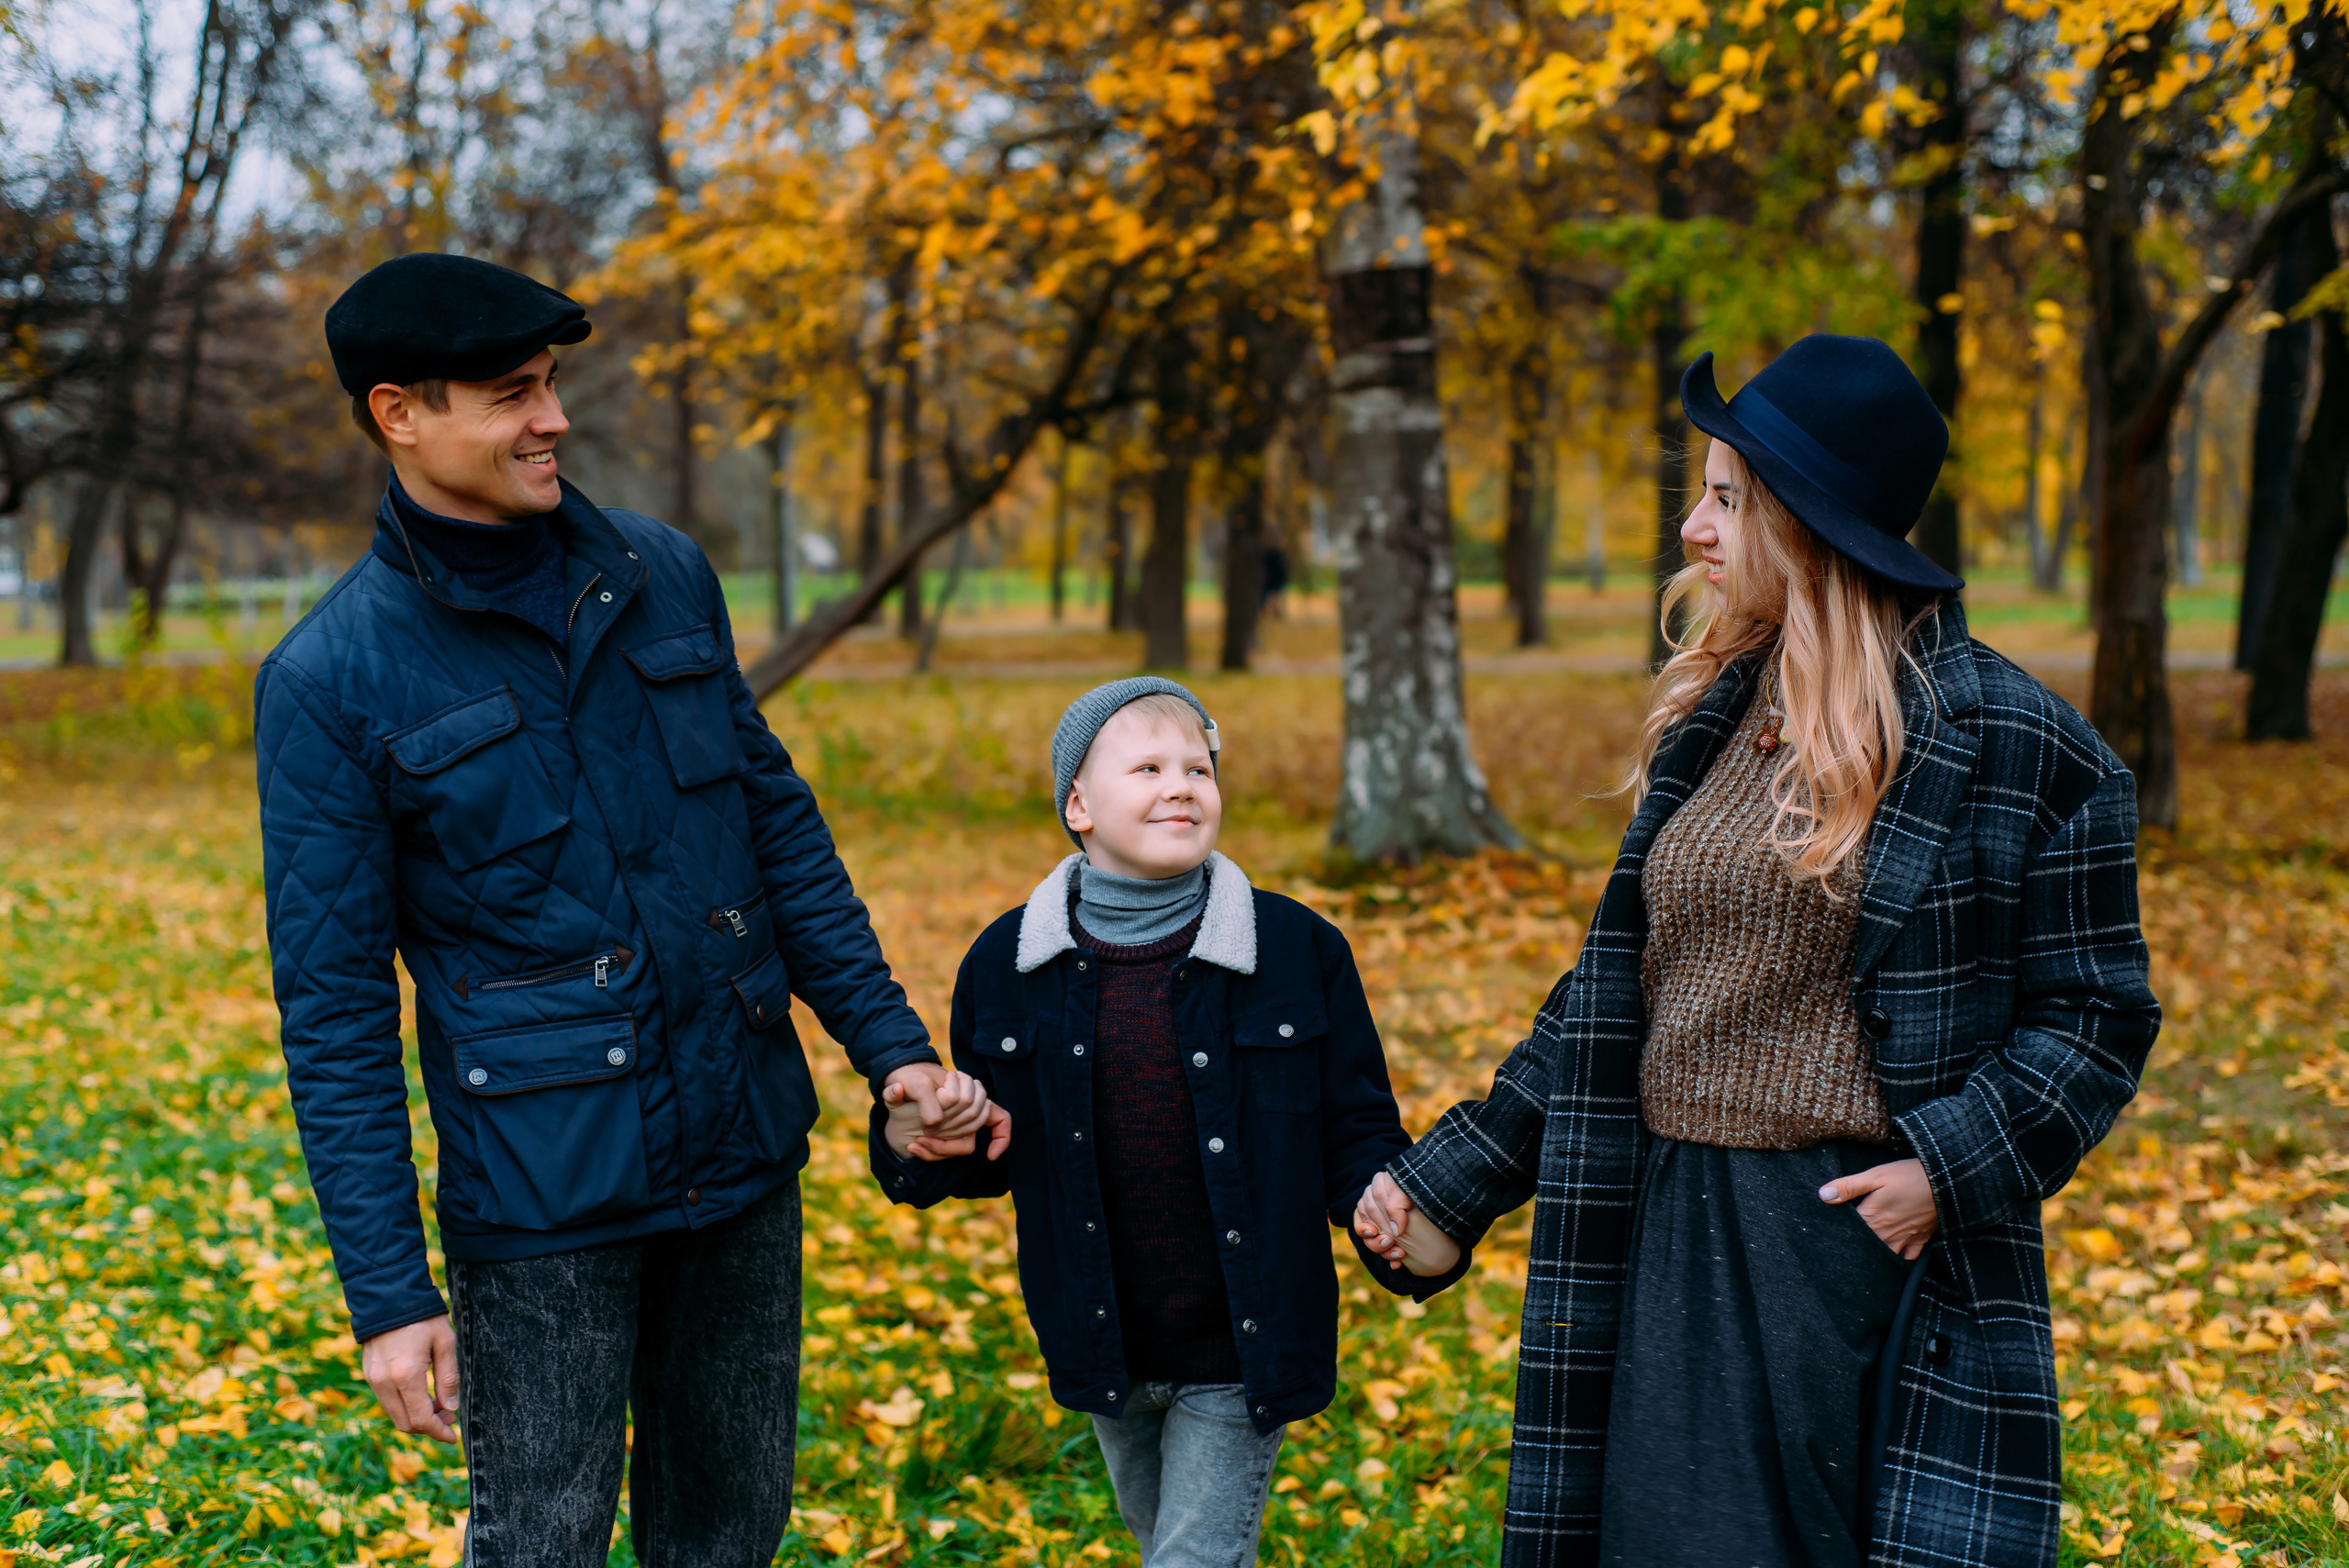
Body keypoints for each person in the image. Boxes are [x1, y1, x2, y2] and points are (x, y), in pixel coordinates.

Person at [1354, 334, 2160, 1568]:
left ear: (1810, 525)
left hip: (1843, 1241)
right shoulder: (1721, 713)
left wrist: (1947, 1169)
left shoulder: (2018, 744)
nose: (1692, 529)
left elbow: (2096, 1017)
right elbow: (1619, 997)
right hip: (1662, 1214)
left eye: (1727, 499)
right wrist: (1458, 1181)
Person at [255, 251, 1003, 1567]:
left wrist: (890, 1050)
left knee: (727, 1535)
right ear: (399, 414)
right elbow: (334, 1014)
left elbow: (777, 833)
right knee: (541, 1544)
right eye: (512, 394)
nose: (552, 418)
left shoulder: (663, 572)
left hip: (743, 1151)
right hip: (543, 1200)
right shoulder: (329, 676)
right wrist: (388, 1293)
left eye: (551, 385)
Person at [872, 677, 1466, 1568]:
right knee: (1171, 1543)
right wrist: (923, 1133)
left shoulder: (1295, 948)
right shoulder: (1006, 963)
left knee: (1191, 1557)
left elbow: (1353, 1128)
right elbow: (983, 1149)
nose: (1181, 785)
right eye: (1147, 767)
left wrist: (1397, 1216)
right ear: (1078, 804)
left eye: (1199, 768)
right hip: (1103, 1336)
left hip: (1242, 1341)